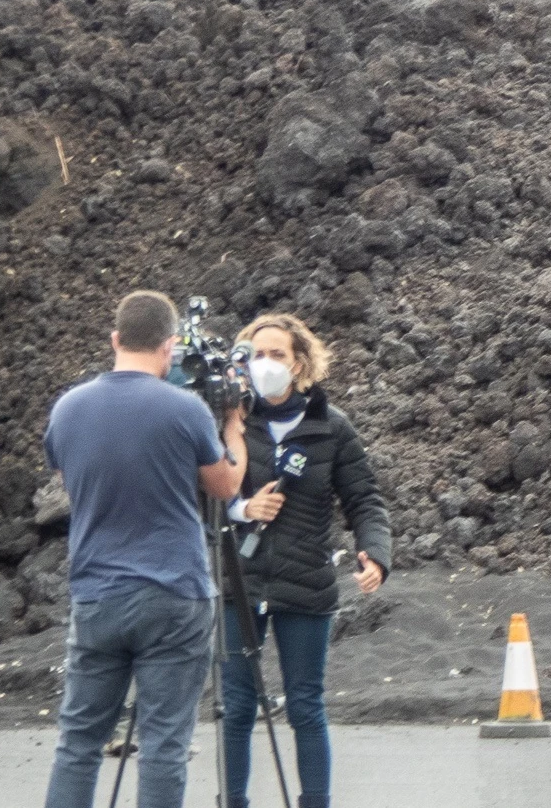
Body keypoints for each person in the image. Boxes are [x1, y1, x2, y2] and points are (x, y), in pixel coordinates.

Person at [43, 291, 247, 808]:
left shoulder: (68, 408)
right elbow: (224, 487)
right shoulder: (185, 409)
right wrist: (234, 431)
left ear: (115, 339)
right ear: (169, 347)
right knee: (163, 746)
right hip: (173, 592)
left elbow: (71, 480)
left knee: (79, 743)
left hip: (97, 594)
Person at [222, 313, 393, 808]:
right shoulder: (231, 424)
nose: (266, 364)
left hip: (307, 584)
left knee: (305, 706)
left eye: (277, 354)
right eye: (257, 354)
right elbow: (201, 495)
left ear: (299, 363)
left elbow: (365, 500)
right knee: (236, 708)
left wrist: (375, 554)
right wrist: (242, 508)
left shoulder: (331, 428)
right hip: (241, 580)